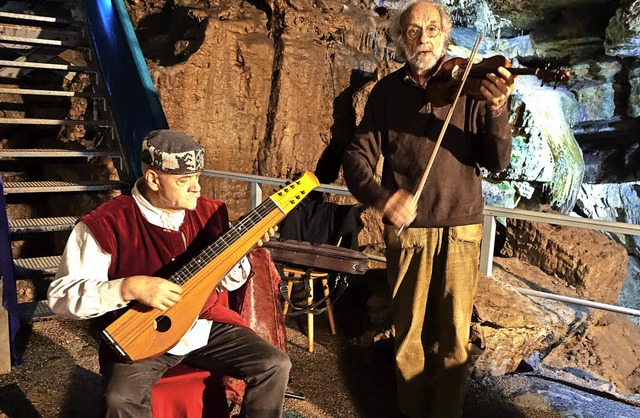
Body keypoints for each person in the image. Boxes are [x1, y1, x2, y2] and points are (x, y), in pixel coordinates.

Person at [342, 2, 516, 418]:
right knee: (408, 339)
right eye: (414, 30)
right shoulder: (387, 92)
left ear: (446, 34)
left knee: (455, 341)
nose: (423, 38)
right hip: (410, 231)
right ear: (402, 39)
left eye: (432, 29)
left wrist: (497, 110)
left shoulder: (471, 88)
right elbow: (356, 157)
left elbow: (497, 162)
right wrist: (384, 198)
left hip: (461, 228)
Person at [47, 129, 291, 418]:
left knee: (275, 364)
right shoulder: (106, 223)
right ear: (153, 179)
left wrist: (242, 253)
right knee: (119, 398)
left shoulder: (212, 212)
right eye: (184, 180)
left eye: (197, 178)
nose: (196, 189)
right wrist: (128, 288)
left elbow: (227, 280)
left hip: (202, 325)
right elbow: (61, 296)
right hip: (141, 334)